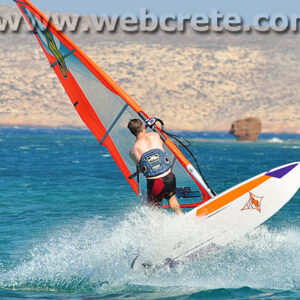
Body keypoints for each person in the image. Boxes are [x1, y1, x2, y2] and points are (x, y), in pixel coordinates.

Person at [128, 119, 184, 216]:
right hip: (169, 176)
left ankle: (155, 228)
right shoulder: (155, 135)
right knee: (171, 197)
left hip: (155, 182)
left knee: (153, 208)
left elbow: (141, 167)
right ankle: (181, 215)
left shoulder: (133, 151)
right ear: (142, 126)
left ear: (132, 132)